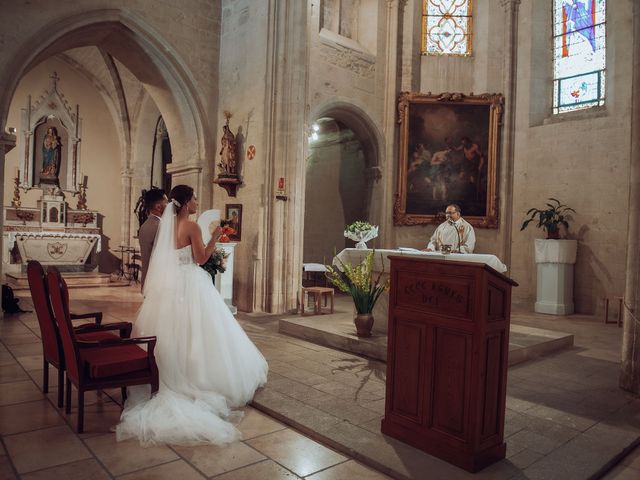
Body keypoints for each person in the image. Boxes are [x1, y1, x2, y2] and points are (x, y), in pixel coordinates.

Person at [117, 184, 268, 446]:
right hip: (191, 283)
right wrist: (216, 237)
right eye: (194, 198)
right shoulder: (191, 226)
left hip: (170, 287)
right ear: (186, 203)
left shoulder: (165, 226)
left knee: (173, 331)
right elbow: (200, 258)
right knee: (200, 331)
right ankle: (197, 377)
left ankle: (169, 375)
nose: (197, 201)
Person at [138, 189, 168, 288]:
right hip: (158, 281)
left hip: (147, 279)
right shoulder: (160, 226)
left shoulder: (145, 225)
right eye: (166, 202)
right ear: (158, 207)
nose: (169, 206)